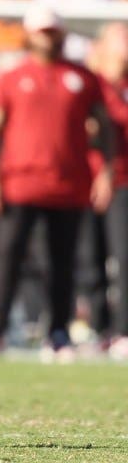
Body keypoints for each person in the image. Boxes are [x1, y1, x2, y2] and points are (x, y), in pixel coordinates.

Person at [0, 5, 115, 361]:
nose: (47, 38)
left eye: (52, 31)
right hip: (20, 183)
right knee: (9, 257)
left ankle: (59, 331)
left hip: (68, 186)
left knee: (63, 262)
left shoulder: (81, 78)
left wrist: (106, 172)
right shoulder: (10, 77)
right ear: (29, 34)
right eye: (41, 31)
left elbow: (106, 128)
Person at [83, 23, 128, 359]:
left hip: (123, 181)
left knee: (123, 256)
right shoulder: (90, 84)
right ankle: (99, 327)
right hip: (88, 180)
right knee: (91, 256)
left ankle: (123, 329)